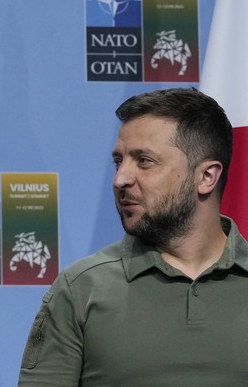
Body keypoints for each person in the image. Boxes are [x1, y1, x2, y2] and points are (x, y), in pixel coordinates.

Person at [18, 88, 248, 386]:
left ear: (206, 177)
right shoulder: (80, 289)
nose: (120, 179)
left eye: (144, 161)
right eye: (118, 161)